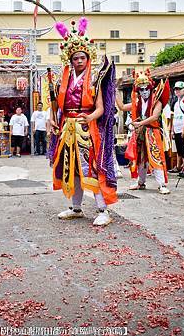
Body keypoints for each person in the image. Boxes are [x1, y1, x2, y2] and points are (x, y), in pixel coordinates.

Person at [48, 17, 117, 226]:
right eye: (75, 58)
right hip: (66, 127)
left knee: (92, 169)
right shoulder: (62, 80)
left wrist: (90, 117)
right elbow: (55, 106)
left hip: (88, 129)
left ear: (87, 58)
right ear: (71, 60)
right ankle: (76, 207)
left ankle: (103, 210)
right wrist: (52, 120)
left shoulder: (94, 79)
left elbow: (101, 109)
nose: (79, 61)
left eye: (82, 57)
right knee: (73, 169)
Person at [117, 69, 170, 194]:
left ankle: (161, 184)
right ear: (137, 90)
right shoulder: (137, 102)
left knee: (155, 157)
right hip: (140, 133)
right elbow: (122, 107)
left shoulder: (157, 101)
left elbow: (155, 117)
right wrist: (114, 90)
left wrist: (140, 123)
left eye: (146, 88)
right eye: (141, 89)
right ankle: (141, 182)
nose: (144, 91)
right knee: (140, 158)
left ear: (150, 88)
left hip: (152, 132)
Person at [169, 81, 184, 174]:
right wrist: (172, 130)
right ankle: (183, 168)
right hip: (177, 129)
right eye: (176, 89)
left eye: (179, 89)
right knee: (180, 150)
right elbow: (174, 117)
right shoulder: (175, 102)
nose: (177, 91)